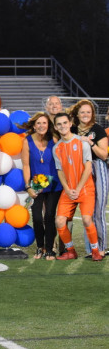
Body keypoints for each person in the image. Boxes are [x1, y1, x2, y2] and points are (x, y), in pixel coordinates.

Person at [52, 112, 102, 261]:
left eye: (65, 123)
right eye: (59, 124)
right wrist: (67, 189)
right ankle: (71, 251)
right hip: (69, 191)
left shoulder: (82, 142)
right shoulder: (56, 148)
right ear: (55, 127)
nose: (62, 126)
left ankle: (95, 251)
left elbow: (88, 168)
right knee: (59, 221)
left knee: (87, 219)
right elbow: (59, 171)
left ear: (70, 123)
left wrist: (78, 188)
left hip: (85, 188)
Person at [68, 99, 108, 257]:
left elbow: (104, 154)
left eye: (88, 112)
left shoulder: (97, 129)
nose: (85, 115)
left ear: (92, 114)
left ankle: (102, 247)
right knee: (87, 211)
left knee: (98, 211)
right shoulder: (71, 129)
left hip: (98, 168)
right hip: (79, 170)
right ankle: (90, 248)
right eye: (82, 112)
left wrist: (90, 143)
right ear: (77, 113)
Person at [21, 112, 62, 260]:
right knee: (37, 217)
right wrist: (28, 186)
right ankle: (40, 247)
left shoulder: (55, 139)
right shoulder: (27, 141)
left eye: (44, 123)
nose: (41, 126)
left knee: (49, 216)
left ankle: (50, 248)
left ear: (48, 125)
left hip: (54, 184)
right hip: (36, 184)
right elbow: (26, 166)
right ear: (34, 125)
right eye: (38, 123)